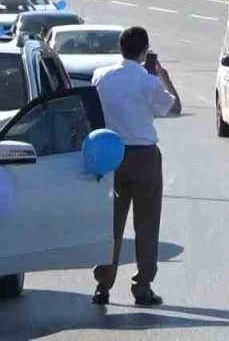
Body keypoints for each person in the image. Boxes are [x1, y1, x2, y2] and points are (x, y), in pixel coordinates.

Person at [90, 26, 181, 307]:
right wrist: (163, 77)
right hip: (144, 158)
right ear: (144, 52)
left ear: (120, 48)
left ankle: (102, 286)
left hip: (110, 155)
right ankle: (142, 286)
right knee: (147, 225)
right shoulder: (148, 81)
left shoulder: (101, 76)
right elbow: (174, 107)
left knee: (111, 226)